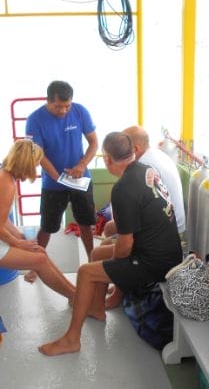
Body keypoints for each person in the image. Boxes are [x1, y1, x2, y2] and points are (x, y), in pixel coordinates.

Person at [39, 132, 182, 356]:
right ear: (133, 152)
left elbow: (124, 247)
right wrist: (109, 263)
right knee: (96, 254)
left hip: (156, 263)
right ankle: (96, 308)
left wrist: (114, 271)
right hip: (169, 250)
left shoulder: (123, 189)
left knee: (86, 271)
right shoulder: (146, 170)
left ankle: (72, 339)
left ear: (106, 159)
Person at [25, 80, 98, 261]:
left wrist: (81, 165)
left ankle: (91, 259)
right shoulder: (34, 120)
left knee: (85, 223)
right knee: (47, 226)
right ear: (48, 100)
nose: (64, 111)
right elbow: (38, 155)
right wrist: (58, 177)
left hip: (81, 179)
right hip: (52, 183)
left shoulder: (80, 111)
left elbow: (94, 142)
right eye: (58, 107)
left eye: (67, 106)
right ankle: (35, 265)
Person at [0, 140, 75, 302]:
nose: (36, 169)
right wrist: (17, 243)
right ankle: (76, 297)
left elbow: (3, 219)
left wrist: (19, 235)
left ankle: (75, 294)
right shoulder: (5, 182)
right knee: (39, 260)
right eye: (35, 164)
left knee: (39, 251)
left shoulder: (5, 175)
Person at [122, 127, 185, 235]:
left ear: (135, 149)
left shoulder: (145, 165)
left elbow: (142, 208)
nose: (120, 151)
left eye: (123, 147)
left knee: (112, 228)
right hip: (176, 223)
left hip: (168, 229)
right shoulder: (156, 154)